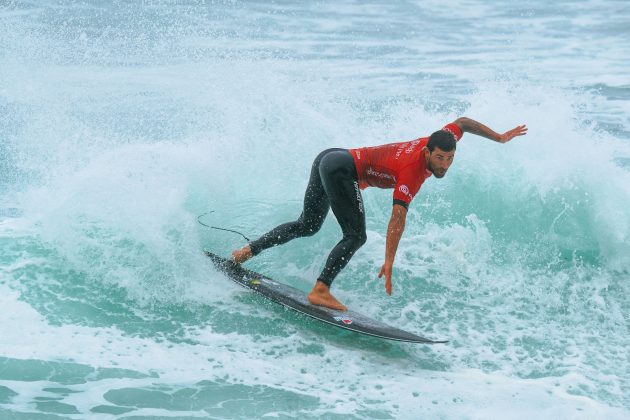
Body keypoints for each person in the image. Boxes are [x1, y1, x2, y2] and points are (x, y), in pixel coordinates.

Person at [232, 117, 527, 311]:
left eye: (450, 158)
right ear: (427, 152)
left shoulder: (444, 138)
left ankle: (244, 253)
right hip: (339, 168)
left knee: (307, 224)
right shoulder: (412, 172)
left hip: (329, 158)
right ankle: (321, 289)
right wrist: (389, 261)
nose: (444, 165)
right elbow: (397, 218)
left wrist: (500, 137)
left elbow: (463, 123)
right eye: (439, 158)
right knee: (356, 236)